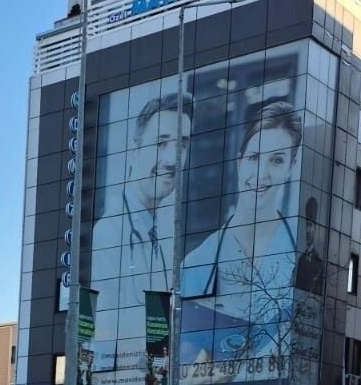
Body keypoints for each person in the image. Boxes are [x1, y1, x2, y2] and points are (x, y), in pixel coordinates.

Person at [179, 102, 302, 357]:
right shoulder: (198, 265)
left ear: (291, 166)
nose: (261, 174)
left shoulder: (302, 255)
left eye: (277, 160)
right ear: (239, 161)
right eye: (254, 158)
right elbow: (183, 363)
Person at [90, 91, 195, 365]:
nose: (172, 159)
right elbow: (102, 331)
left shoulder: (160, 234)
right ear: (135, 151)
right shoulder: (108, 235)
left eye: (182, 144)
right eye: (161, 143)